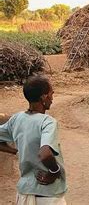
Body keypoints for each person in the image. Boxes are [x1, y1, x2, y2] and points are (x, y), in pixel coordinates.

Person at [0, 75, 67, 204]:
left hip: (24, 193)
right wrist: (55, 171)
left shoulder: (17, 119)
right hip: (49, 195)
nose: (52, 98)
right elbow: (45, 153)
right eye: (51, 94)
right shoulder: (48, 122)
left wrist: (16, 150)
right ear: (43, 97)